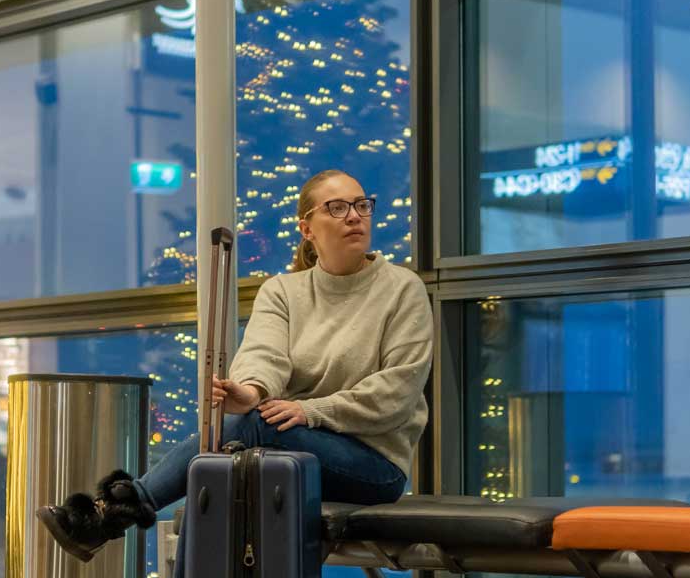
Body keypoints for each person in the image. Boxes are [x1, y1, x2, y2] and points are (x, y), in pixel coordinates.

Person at [36, 169, 434, 572]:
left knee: (252, 431)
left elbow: (397, 391)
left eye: (362, 205)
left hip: (374, 464)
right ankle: (119, 514)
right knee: (212, 481)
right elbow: (265, 355)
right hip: (289, 452)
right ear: (307, 228)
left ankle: (116, 511)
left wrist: (312, 412)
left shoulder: (402, 288)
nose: (354, 216)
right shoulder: (283, 291)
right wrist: (252, 391)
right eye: (337, 207)